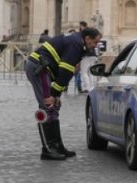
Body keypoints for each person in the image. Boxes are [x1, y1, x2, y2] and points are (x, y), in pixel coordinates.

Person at [25, 27, 102, 161]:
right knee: (47, 107)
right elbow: (65, 70)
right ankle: (47, 149)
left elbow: (67, 70)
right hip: (40, 69)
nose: (95, 45)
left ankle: (57, 146)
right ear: (87, 38)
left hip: (45, 69)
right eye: (95, 42)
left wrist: (57, 96)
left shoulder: (78, 42)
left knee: (54, 107)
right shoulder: (76, 44)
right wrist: (54, 94)